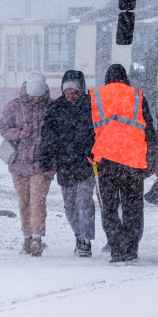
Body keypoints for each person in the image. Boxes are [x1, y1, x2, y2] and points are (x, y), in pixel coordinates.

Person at [91, 63, 155, 265]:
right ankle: (131, 248)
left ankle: (116, 247)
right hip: (133, 163)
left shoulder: (96, 97)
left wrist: (91, 157)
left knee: (109, 207)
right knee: (132, 207)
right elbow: (149, 130)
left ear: (107, 78)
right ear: (125, 78)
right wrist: (151, 158)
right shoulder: (136, 95)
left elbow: (87, 131)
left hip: (106, 163)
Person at [0, 71, 55, 256]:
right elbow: (2, 128)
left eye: (38, 96)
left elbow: (58, 134)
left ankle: (37, 239)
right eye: (32, 96)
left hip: (42, 162)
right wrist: (19, 134)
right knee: (24, 203)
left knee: (38, 202)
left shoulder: (52, 106)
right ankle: (27, 238)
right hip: (19, 162)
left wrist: (54, 161)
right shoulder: (15, 106)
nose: (35, 100)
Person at [40, 69, 96, 258]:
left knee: (84, 202)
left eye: (75, 93)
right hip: (65, 165)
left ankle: (85, 240)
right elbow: (47, 137)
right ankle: (79, 234)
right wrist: (47, 162)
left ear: (82, 91)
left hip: (86, 164)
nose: (71, 97)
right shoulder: (55, 109)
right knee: (70, 205)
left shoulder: (91, 106)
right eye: (67, 93)